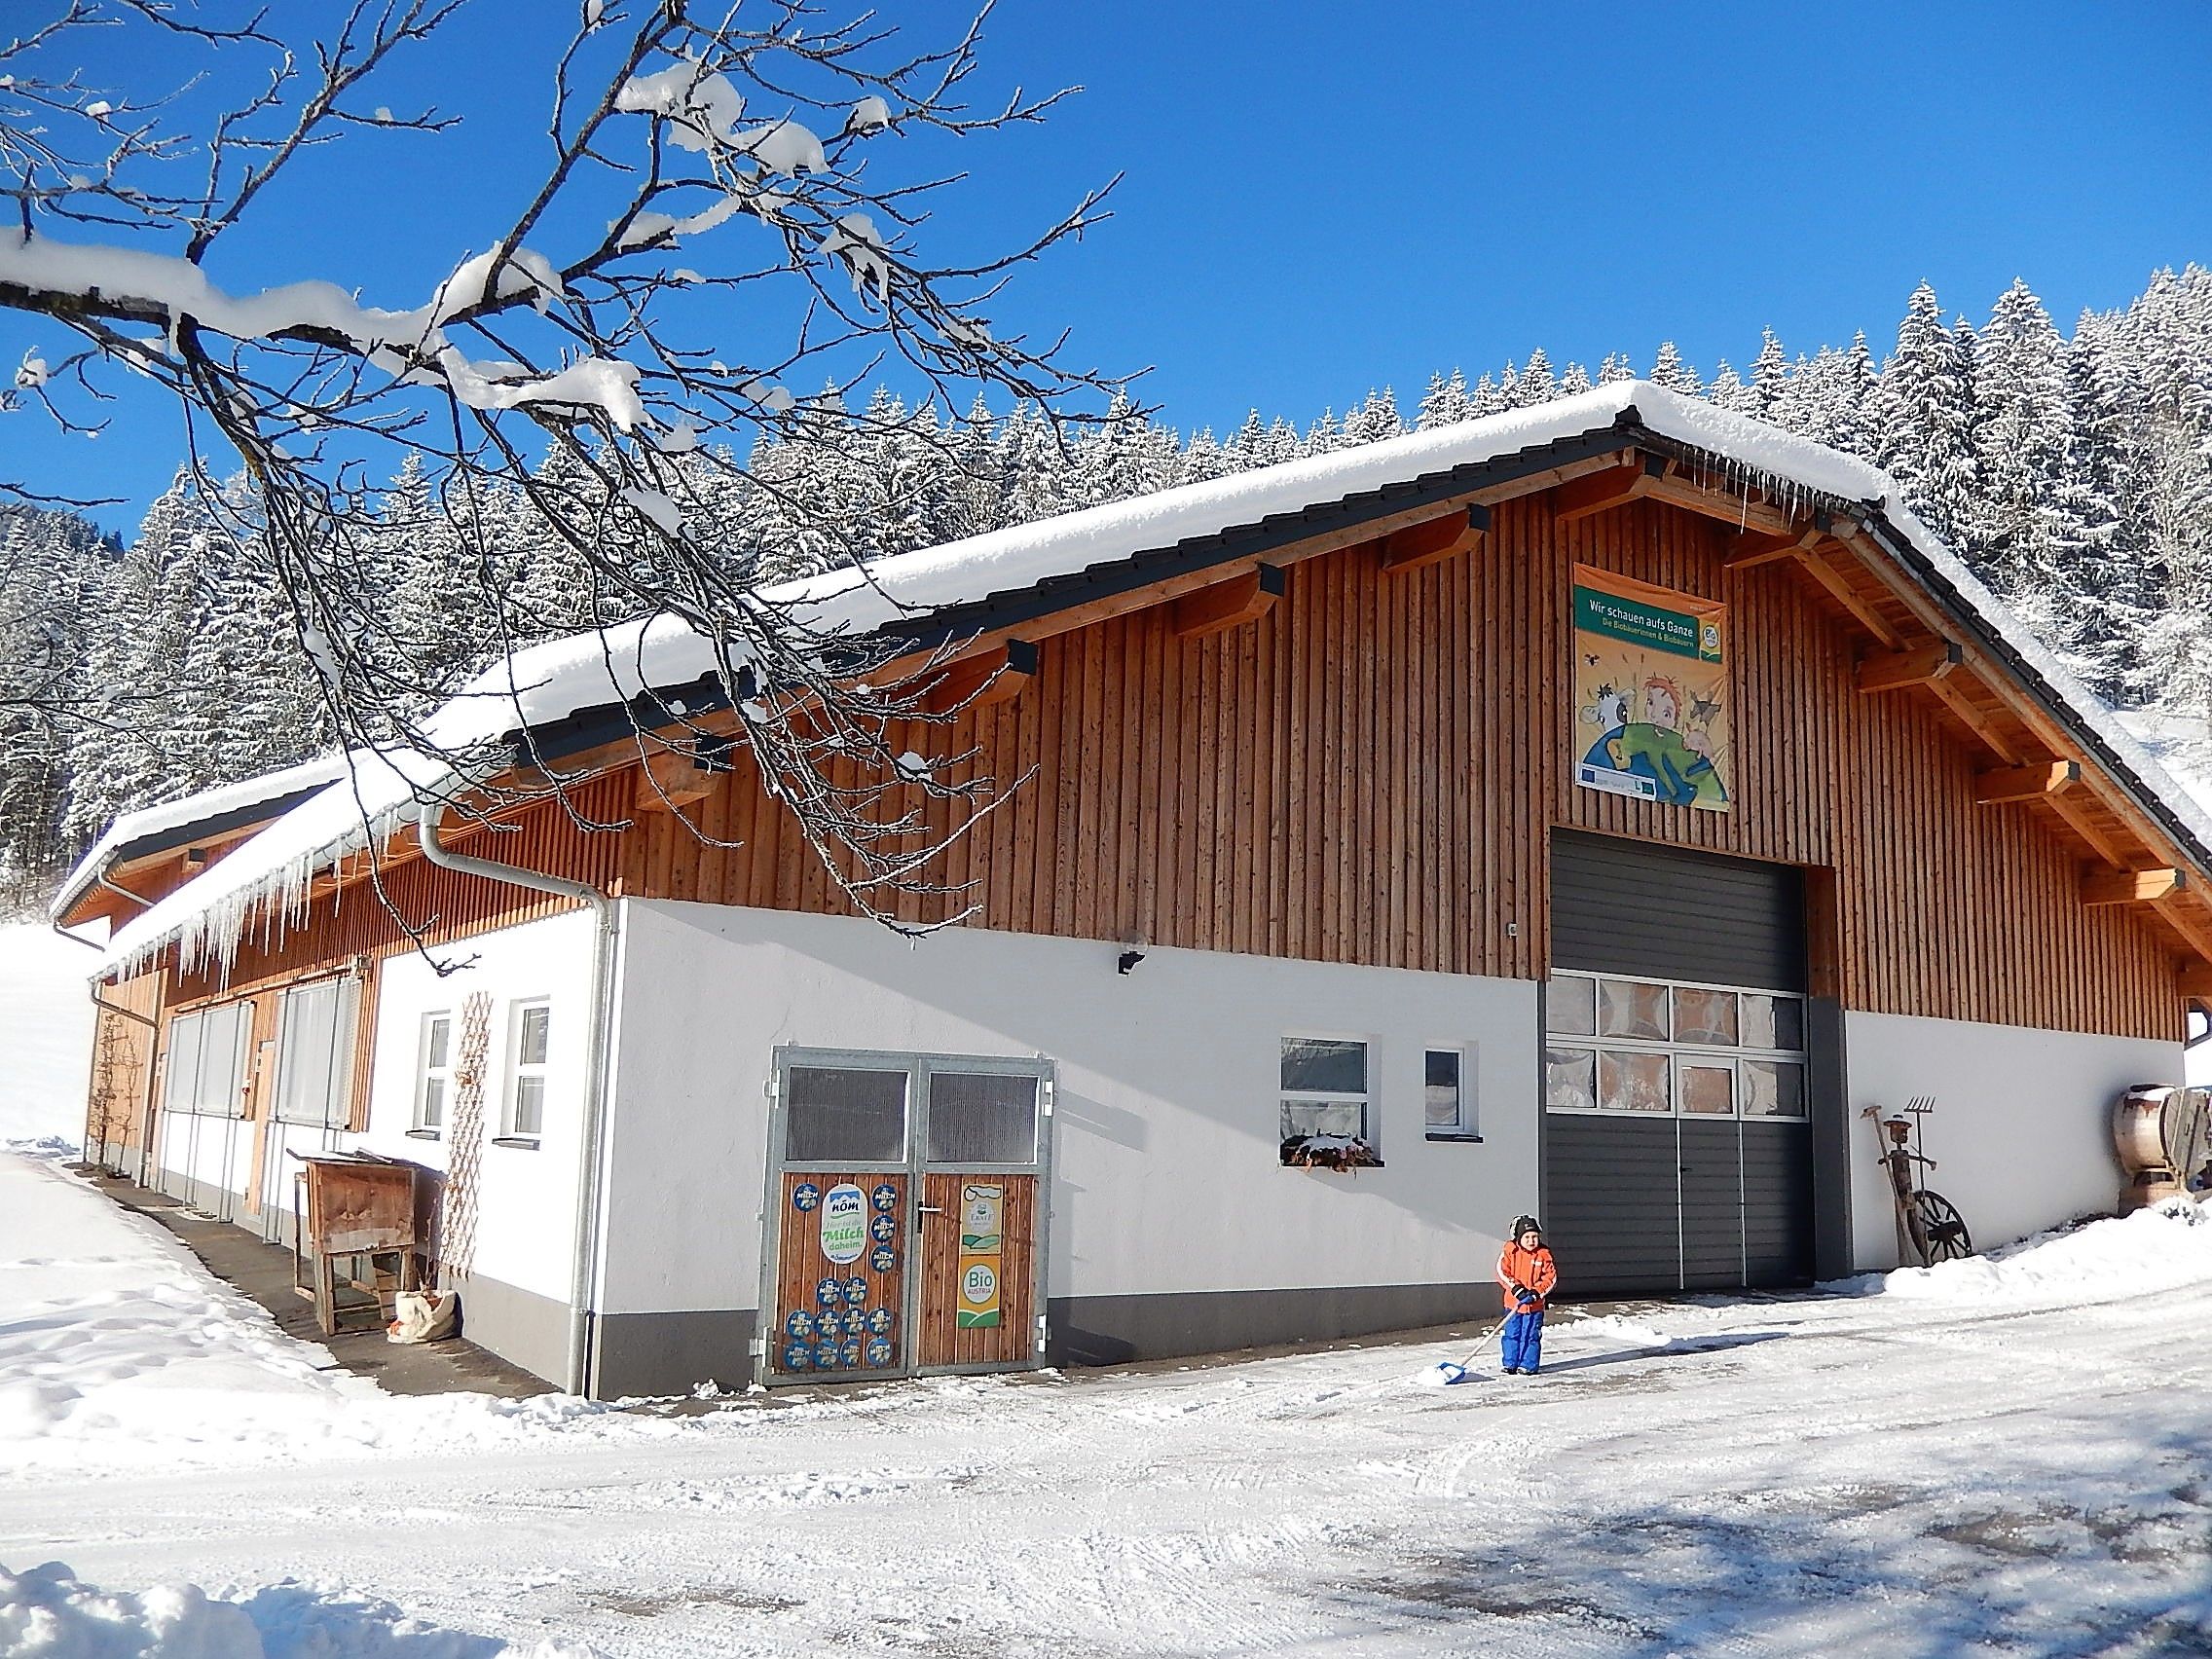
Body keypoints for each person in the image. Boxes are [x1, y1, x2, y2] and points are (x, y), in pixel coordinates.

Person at [1495, 1215, 1558, 1376]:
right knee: (1512, 1334)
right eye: (1527, 1237)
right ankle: (1510, 1363)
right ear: (1518, 1238)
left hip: (1534, 1306)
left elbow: (1550, 1278)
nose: (1531, 1241)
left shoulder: (1543, 1254)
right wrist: (1516, 1288)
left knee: (1530, 1335)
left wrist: (1537, 1292)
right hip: (1513, 1304)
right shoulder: (1510, 1251)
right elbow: (1502, 1271)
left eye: (1534, 1237)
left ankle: (1528, 1364)